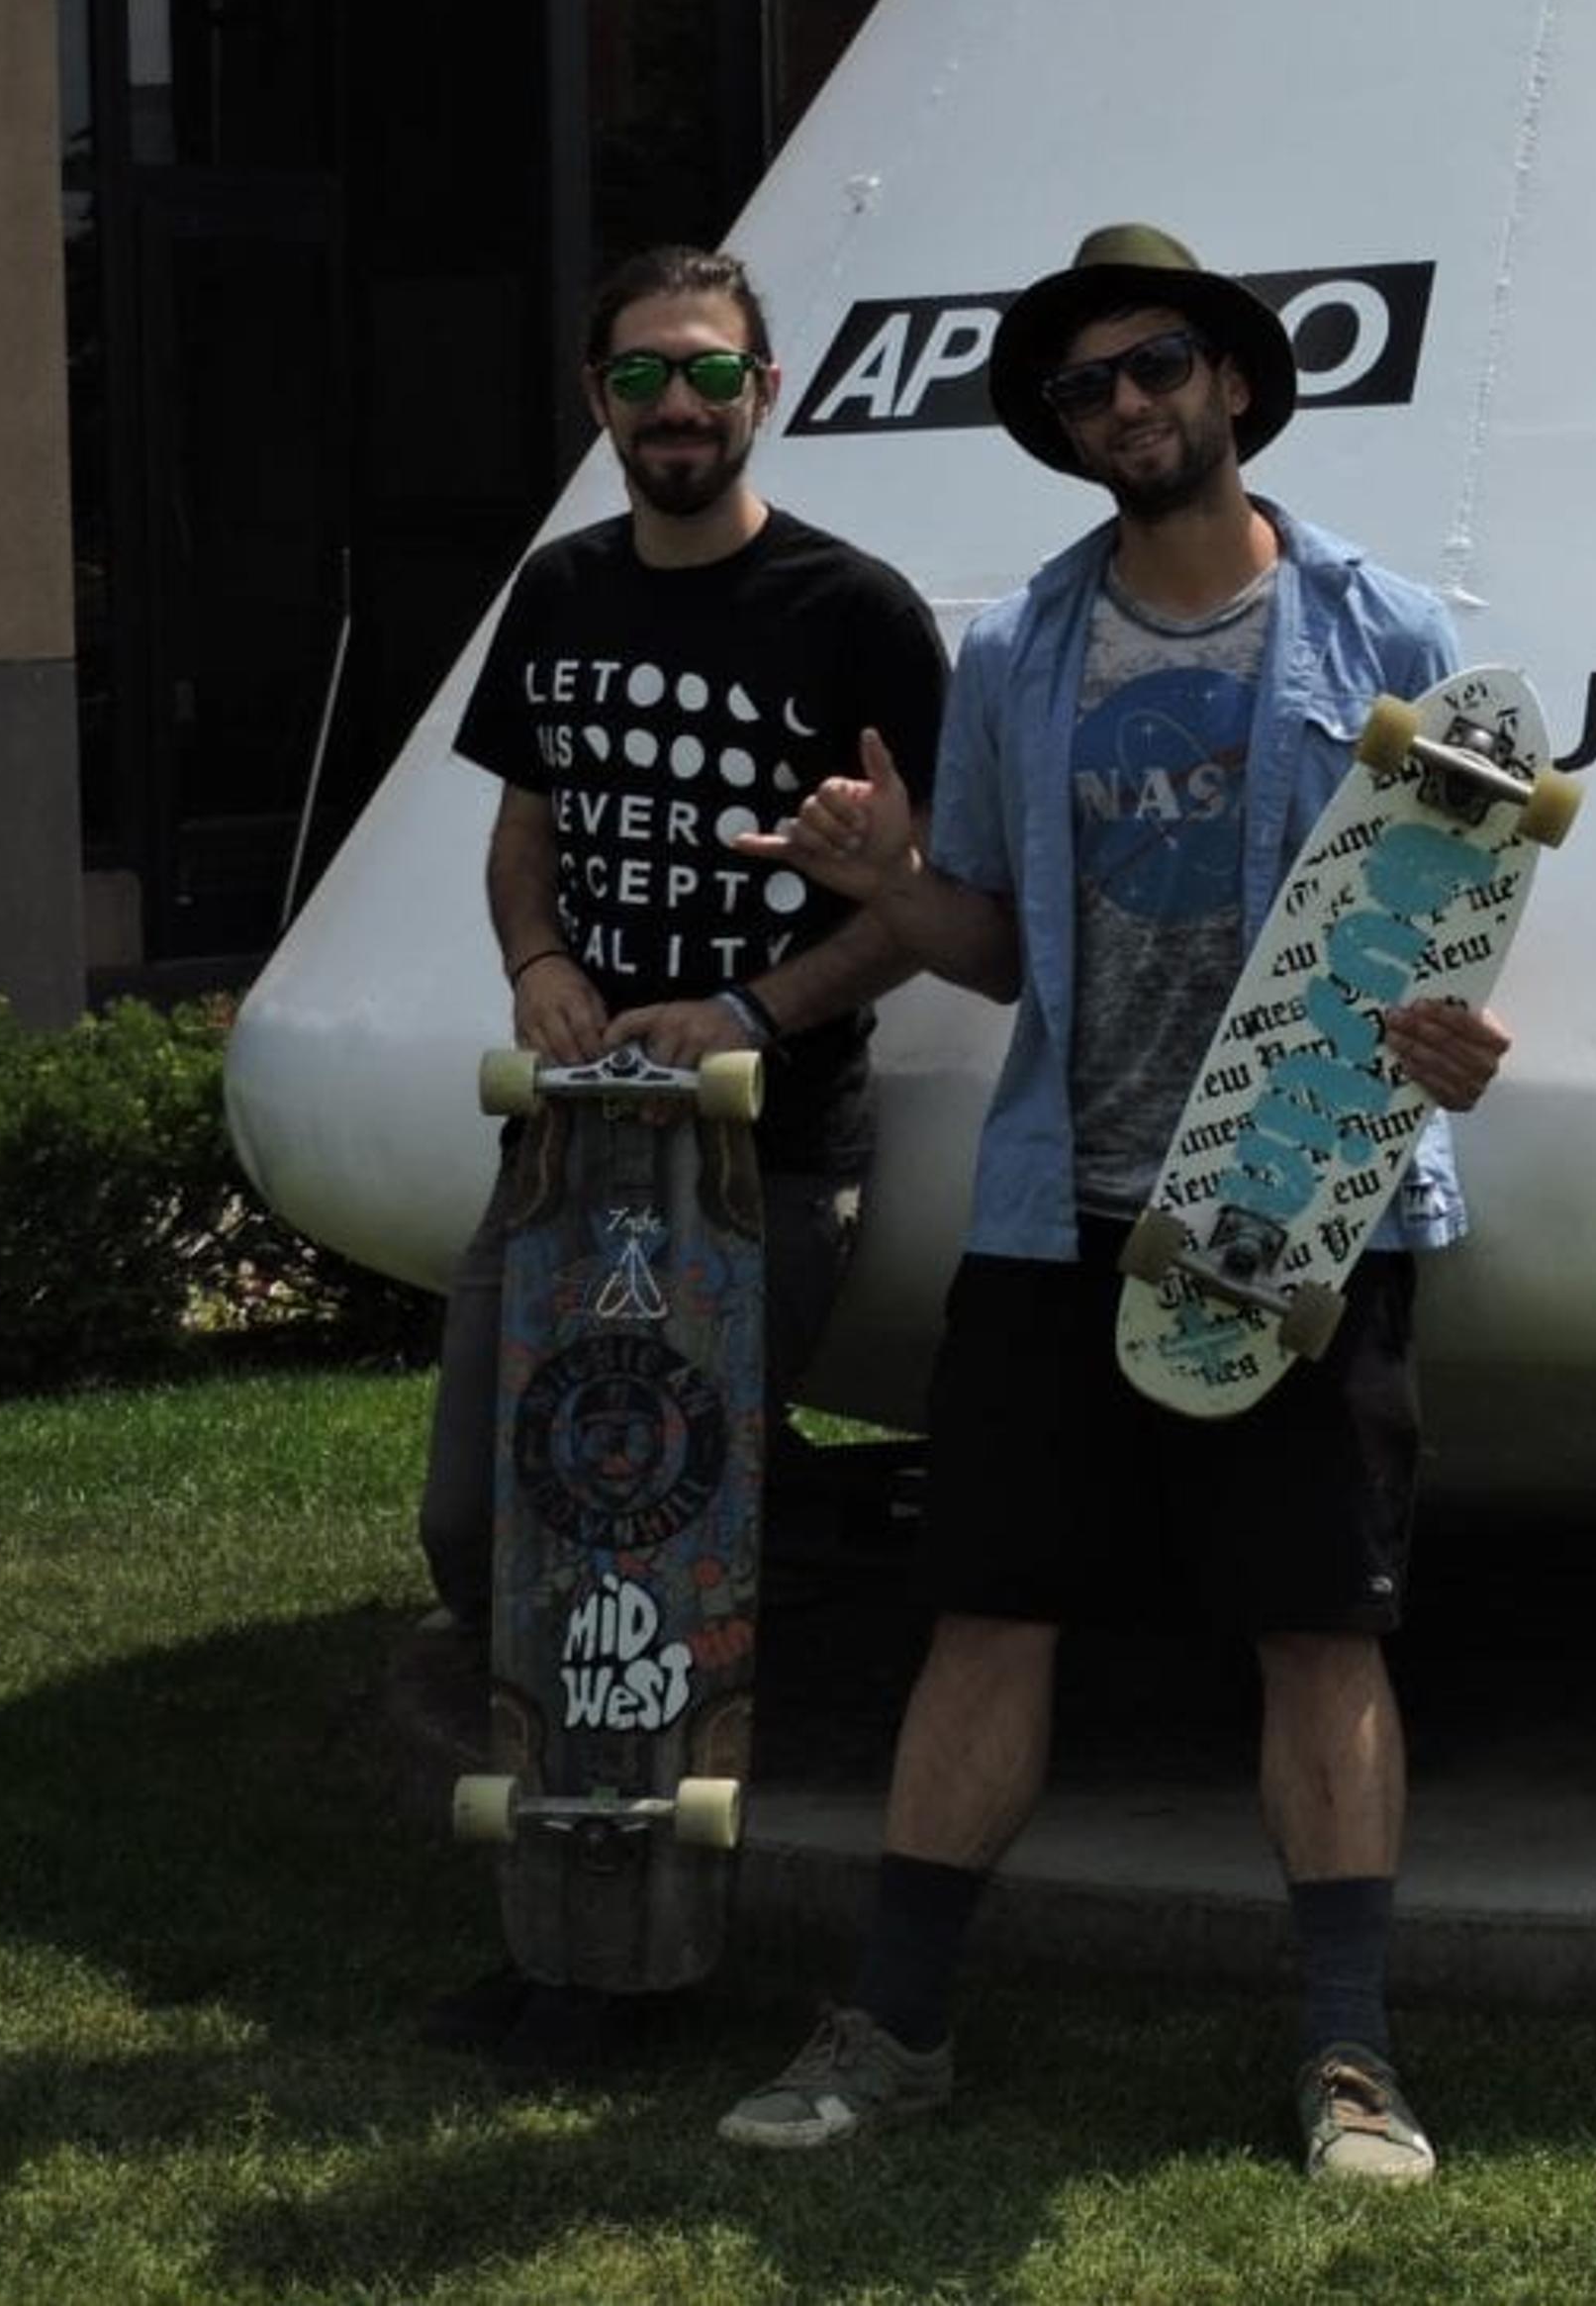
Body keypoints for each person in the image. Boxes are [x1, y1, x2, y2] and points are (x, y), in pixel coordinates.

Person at [711, 224, 1508, 2184]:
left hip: (1304, 1207)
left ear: (1234, 384)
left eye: (1158, 365)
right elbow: (992, 948)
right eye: (1086, 385)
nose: (1129, 405)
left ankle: (1348, 2061)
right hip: (1056, 1214)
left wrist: (1466, 1047)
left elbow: (1457, 919)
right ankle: (893, 2024)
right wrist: (888, 884)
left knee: (1322, 1632)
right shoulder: (1018, 653)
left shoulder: (1394, 635)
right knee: (986, 1615)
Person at [415, 244, 948, 2050]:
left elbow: (923, 901)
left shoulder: (856, 614)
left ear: (765, 390)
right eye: (641, 379)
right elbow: (522, 831)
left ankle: (651, 1946)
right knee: (487, 1518)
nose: (676, 409)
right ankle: (566, 1912)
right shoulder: (559, 593)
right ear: (599, 405)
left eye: (707, 375)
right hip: (570, 1160)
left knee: (666, 1540)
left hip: (759, 1152)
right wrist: (541, 961)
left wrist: (751, 1011)